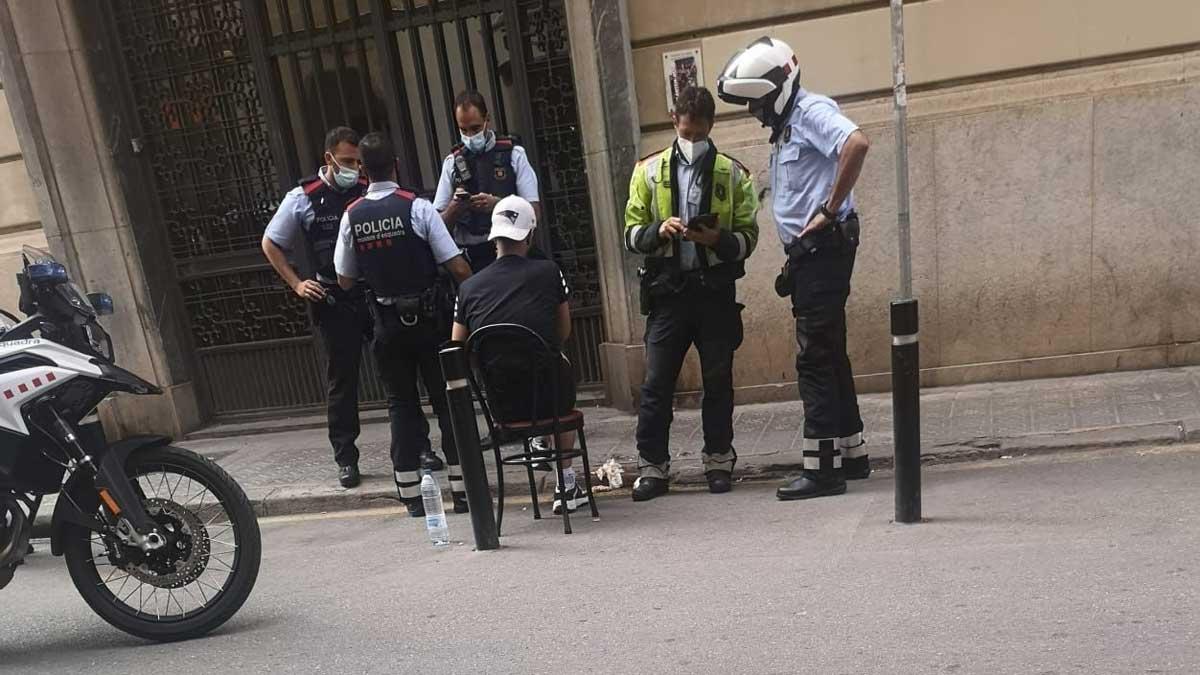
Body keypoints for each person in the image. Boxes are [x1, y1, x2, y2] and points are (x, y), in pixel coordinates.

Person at [718, 37, 872, 501]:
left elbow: (857, 143)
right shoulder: (788, 126)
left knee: (814, 358)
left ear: (777, 89)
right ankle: (852, 452)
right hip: (812, 255)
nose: (755, 112)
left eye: (757, 102)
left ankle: (824, 470)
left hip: (824, 249)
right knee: (831, 349)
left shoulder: (809, 112)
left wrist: (829, 207)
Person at [622, 86, 760, 502]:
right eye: (687, 133)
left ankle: (718, 461)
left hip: (714, 292)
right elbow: (629, 233)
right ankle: (652, 468)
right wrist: (656, 231)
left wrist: (718, 239)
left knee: (718, 381)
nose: (694, 142)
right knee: (656, 383)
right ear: (673, 121)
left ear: (711, 126)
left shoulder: (733, 173)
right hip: (668, 293)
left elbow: (749, 236)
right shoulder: (648, 170)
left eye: (700, 135)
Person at [333, 132, 473, 517]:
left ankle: (412, 496)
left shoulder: (352, 214)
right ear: (395, 164)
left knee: (401, 406)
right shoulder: (419, 207)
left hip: (386, 325)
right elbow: (457, 266)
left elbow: (344, 279)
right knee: (446, 400)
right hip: (429, 322)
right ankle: (463, 491)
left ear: (361, 169)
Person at [450, 196, 586, 516]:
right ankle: (565, 484)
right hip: (550, 401)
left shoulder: (468, 288)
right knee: (558, 364)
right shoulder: (549, 272)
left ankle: (538, 445)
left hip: (501, 405)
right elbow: (562, 332)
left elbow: (457, 348)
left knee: (539, 371)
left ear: (494, 237)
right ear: (529, 235)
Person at [262, 127, 370, 489]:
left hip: (370, 294)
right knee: (342, 382)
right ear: (329, 159)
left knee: (397, 372)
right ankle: (346, 458)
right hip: (332, 299)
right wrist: (296, 283)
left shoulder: (366, 189)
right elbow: (271, 243)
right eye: (347, 161)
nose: (354, 168)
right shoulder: (303, 197)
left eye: (358, 161)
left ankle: (417, 449)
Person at [433, 90, 541, 273]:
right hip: (472, 258)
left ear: (487, 119)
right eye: (463, 130)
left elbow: (534, 212)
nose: (470, 135)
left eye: (475, 129)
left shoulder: (514, 154)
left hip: (511, 251)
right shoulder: (452, 162)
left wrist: (499, 205)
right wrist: (455, 207)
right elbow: (436, 226)